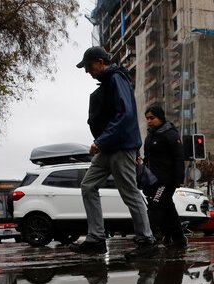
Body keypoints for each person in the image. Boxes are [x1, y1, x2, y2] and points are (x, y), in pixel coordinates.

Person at [75, 46, 158, 259]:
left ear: (101, 62)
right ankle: (96, 238)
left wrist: (101, 141)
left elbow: (125, 114)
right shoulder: (108, 82)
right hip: (109, 147)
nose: (87, 72)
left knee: (129, 192)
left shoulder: (117, 78)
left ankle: (146, 240)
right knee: (88, 185)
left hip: (119, 146)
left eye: (89, 66)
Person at [141, 104, 187, 249]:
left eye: (152, 118)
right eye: (147, 118)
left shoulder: (170, 134)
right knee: (167, 208)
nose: (149, 121)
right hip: (152, 181)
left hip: (166, 181)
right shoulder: (150, 135)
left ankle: (151, 238)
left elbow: (179, 157)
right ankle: (178, 239)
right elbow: (148, 157)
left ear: (160, 117)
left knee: (155, 206)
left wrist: (178, 179)